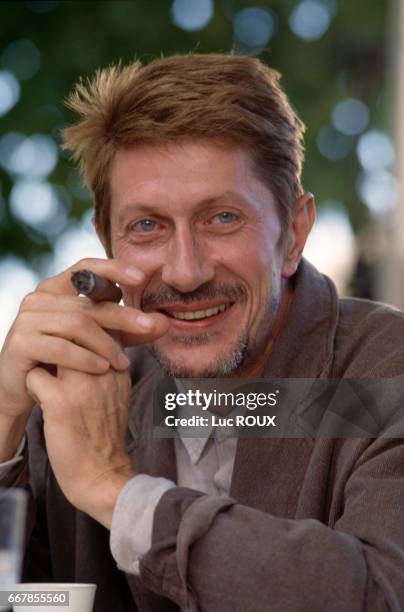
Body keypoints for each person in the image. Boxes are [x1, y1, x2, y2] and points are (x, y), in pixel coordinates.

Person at [0, 53, 403, 612]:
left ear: (293, 233)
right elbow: (26, 595)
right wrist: (3, 422)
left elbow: (380, 594)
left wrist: (116, 492)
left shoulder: (385, 372)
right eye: (147, 226)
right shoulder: (83, 381)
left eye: (222, 219)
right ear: (107, 237)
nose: (186, 272)